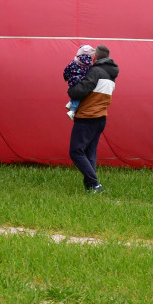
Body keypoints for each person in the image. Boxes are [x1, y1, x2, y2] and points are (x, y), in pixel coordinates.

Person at [66, 45, 118, 193]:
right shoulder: (111, 73)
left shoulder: (95, 71)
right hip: (101, 117)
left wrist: (71, 89)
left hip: (88, 116)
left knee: (76, 151)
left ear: (95, 57)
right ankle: (91, 186)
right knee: (90, 152)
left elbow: (80, 90)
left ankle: (94, 184)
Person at [63, 44, 96, 119]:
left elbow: (66, 71)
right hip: (81, 83)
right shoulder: (90, 66)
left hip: (72, 81)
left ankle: (70, 102)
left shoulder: (73, 62)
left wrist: (66, 78)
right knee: (79, 96)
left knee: (74, 92)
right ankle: (72, 111)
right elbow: (90, 75)